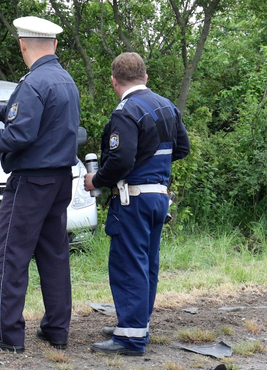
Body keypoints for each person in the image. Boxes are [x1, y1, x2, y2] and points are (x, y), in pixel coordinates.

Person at [0, 16, 80, 354]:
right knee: (54, 255)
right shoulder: (65, 80)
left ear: (23, 45)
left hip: (30, 181)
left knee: (10, 254)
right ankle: (56, 329)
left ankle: (9, 334)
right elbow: (40, 118)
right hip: (60, 178)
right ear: (53, 44)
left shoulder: (33, 83)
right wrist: (3, 110)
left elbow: (21, 134)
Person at [84, 52, 190, 356]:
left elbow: (121, 159)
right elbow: (182, 148)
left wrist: (97, 181)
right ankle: (136, 323)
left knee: (128, 265)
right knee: (147, 264)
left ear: (114, 82)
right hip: (159, 198)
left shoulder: (125, 112)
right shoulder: (167, 106)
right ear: (145, 77)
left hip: (133, 199)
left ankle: (130, 338)